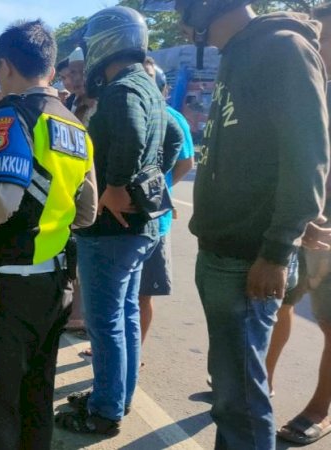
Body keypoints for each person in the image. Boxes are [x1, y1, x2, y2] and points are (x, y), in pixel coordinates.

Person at [144, 0, 329, 448]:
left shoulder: (283, 49)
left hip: (248, 259)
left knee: (240, 402)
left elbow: (308, 162)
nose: (181, 24)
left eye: (183, 11)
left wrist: (275, 252)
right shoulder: (236, 55)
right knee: (231, 396)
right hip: (221, 251)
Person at [0, 20, 97, 450]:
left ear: (5, 65)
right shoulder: (75, 125)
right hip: (55, 286)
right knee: (35, 400)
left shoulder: (11, 115)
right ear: (50, 65)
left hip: (8, 289)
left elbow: (2, 199)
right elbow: (87, 212)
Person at [57, 6, 182, 435]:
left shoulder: (121, 90)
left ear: (106, 42)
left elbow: (128, 132)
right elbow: (176, 137)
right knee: (125, 315)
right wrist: (149, 179)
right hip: (139, 228)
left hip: (109, 231)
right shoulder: (147, 85)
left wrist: (116, 186)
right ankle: (117, 397)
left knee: (105, 322)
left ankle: (105, 411)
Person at [265, 2, 331, 445]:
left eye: (325, 40)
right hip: (293, 226)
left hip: (326, 234)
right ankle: (260, 381)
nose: (319, 47)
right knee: (279, 305)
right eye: (318, 39)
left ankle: (319, 409)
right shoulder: (303, 87)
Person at [138, 58, 195, 347]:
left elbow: (186, 161)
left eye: (149, 79)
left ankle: (135, 353)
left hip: (154, 221)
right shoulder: (130, 110)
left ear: (163, 88)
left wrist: (163, 188)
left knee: (143, 293)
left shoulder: (172, 117)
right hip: (127, 221)